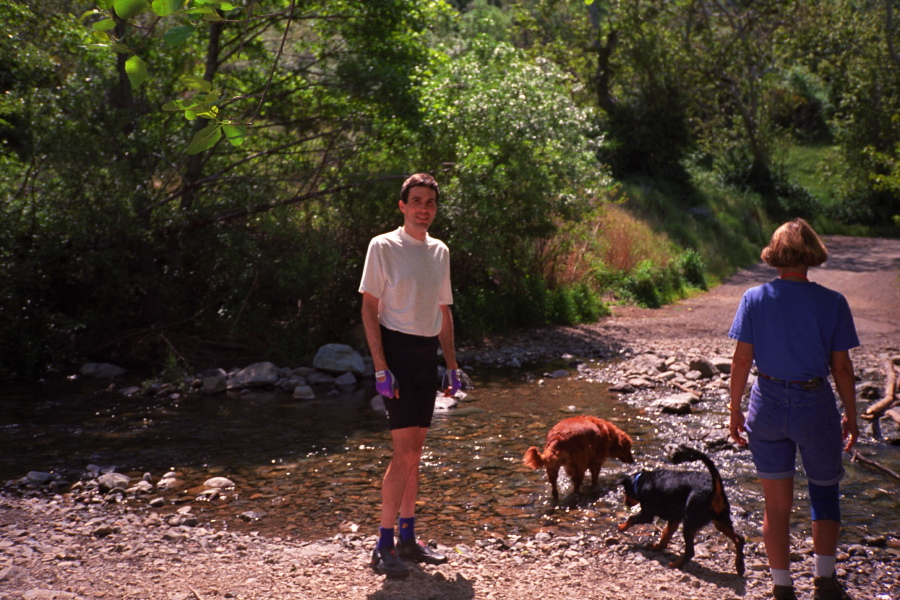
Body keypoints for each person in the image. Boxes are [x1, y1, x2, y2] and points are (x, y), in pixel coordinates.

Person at [728, 218, 859, 600]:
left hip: (766, 402)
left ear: (774, 254)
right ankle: (824, 580)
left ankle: (782, 586)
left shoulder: (754, 298)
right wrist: (851, 415)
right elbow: (842, 368)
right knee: (824, 494)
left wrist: (734, 409)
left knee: (775, 505)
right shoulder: (833, 302)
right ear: (812, 253)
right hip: (815, 403)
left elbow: (741, 361)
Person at [358, 172, 464, 579]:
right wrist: (380, 367)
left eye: (430, 202)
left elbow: (443, 311)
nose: (424, 208)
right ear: (403, 206)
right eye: (416, 201)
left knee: (415, 454)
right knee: (403, 453)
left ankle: (407, 538)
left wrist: (451, 366)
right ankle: (383, 544)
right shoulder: (383, 246)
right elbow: (369, 308)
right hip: (396, 356)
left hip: (426, 357)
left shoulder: (440, 251)